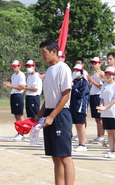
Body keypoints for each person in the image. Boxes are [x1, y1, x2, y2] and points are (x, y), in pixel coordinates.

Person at [35, 39, 75, 185]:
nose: (42, 56)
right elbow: (49, 97)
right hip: (50, 113)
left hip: (61, 114)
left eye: (44, 52)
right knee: (55, 157)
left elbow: (66, 95)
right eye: (41, 53)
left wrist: (51, 116)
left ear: (53, 51)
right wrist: (40, 115)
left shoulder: (63, 68)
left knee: (65, 156)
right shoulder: (49, 71)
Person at [97, 67, 115, 158]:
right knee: (109, 132)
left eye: (110, 74)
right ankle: (111, 150)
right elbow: (102, 98)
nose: (108, 76)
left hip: (114, 112)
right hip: (105, 113)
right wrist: (101, 106)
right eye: (107, 74)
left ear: (113, 75)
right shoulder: (104, 85)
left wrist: (105, 107)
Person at [3, 60, 26, 141]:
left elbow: (21, 87)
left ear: (19, 66)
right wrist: (8, 85)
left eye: (15, 66)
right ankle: (19, 132)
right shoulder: (13, 75)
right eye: (13, 66)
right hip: (13, 94)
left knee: (20, 115)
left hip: (18, 95)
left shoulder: (21, 75)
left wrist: (11, 86)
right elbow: (13, 86)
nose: (14, 68)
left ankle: (22, 133)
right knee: (16, 115)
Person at [70, 64, 89, 152]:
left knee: (81, 125)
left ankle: (83, 144)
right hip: (73, 106)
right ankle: (79, 143)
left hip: (80, 107)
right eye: (74, 70)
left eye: (77, 70)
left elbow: (81, 94)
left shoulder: (84, 82)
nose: (75, 72)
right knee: (77, 125)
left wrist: (73, 87)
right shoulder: (75, 80)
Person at [87, 57, 105, 144]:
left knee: (100, 118)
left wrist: (92, 81)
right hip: (93, 96)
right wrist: (90, 82)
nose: (94, 65)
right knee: (97, 118)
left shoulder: (101, 74)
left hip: (98, 96)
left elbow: (101, 86)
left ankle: (101, 136)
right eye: (93, 64)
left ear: (100, 64)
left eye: (96, 63)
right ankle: (98, 135)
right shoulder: (94, 74)